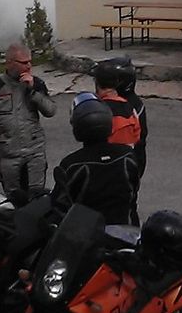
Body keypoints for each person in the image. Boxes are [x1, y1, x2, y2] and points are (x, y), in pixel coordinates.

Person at [0, 43, 56, 203]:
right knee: (13, 199)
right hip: (8, 154)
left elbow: (50, 110)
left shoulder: (37, 84)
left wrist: (32, 91)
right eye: (24, 62)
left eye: (30, 61)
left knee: (37, 198)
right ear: (10, 63)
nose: (29, 66)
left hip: (35, 152)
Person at [52, 94, 139, 226]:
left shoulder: (72, 164)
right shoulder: (127, 155)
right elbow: (133, 191)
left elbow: (60, 205)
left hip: (87, 233)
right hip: (126, 230)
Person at [92, 56, 147, 223]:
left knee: (120, 208)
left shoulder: (121, 108)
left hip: (120, 165)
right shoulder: (132, 104)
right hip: (132, 162)